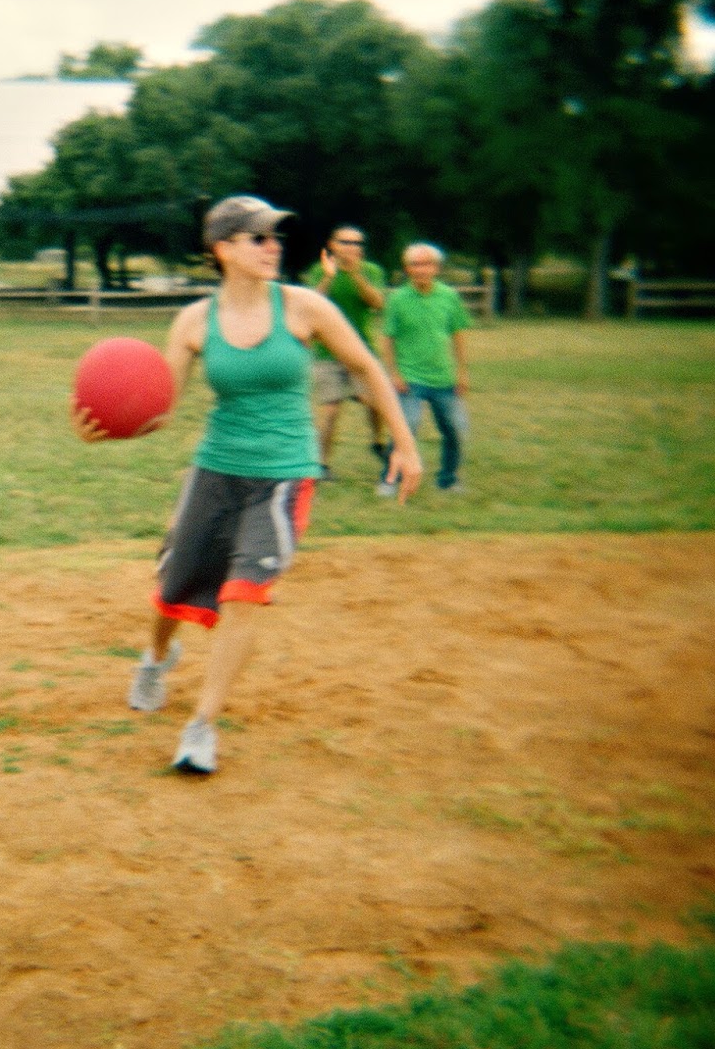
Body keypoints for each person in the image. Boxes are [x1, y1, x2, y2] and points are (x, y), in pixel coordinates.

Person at [73, 195, 423, 776]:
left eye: (275, 237)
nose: (273, 247)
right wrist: (109, 430)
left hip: (285, 474)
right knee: (176, 583)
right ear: (223, 249)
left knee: (245, 590)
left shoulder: (304, 307)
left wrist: (405, 444)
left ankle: (201, 726)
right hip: (216, 468)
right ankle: (157, 657)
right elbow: (161, 409)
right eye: (258, 237)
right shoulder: (194, 321)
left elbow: (365, 366)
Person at [376, 242, 473, 493]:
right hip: (409, 378)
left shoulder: (449, 296)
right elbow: (388, 338)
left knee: (454, 429)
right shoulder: (397, 299)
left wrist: (462, 371)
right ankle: (390, 479)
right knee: (405, 428)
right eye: (415, 264)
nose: (421, 269)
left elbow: (458, 334)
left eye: (427, 264)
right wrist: (393, 373)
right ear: (407, 269)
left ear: (436, 268)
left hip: (444, 378)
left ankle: (449, 479)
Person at [302, 224, 390, 483]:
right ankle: (322, 465)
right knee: (330, 410)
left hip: (361, 351)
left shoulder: (371, 271)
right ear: (332, 245)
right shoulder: (320, 270)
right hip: (327, 353)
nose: (352, 248)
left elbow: (378, 304)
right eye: (345, 242)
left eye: (357, 243)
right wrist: (329, 277)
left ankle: (377, 442)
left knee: (376, 401)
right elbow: (311, 305)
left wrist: (356, 275)